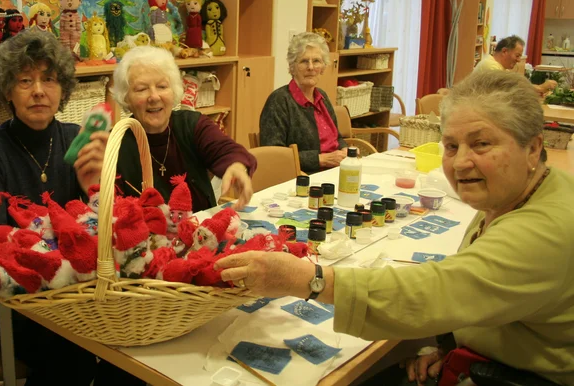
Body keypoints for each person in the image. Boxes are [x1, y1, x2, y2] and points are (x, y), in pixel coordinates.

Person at [217, 70, 574, 385]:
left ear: (533, 149)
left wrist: (306, 279)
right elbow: (483, 297)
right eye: (451, 146)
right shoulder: (512, 193)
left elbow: (439, 292)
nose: (462, 162)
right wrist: (451, 344)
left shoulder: (548, 228)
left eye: (482, 144)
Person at [0, 27, 141, 385]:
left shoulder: (78, 139)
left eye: (49, 79)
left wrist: (95, 190)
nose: (39, 91)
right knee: (71, 357)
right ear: (7, 91)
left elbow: (109, 232)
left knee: (133, 336)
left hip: (75, 293)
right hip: (11, 297)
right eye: (25, 80)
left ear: (63, 88)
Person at [111, 45, 256, 212]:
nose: (154, 96)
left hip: (200, 232)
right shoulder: (116, 144)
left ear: (174, 91)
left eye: (162, 86)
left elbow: (227, 150)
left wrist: (236, 166)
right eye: (142, 89)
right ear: (126, 98)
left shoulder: (192, 125)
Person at [259, 32, 348, 173]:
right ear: (293, 67)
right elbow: (274, 155)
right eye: (304, 61)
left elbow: (336, 136)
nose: (311, 67)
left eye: (317, 61)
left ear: (323, 67)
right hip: (303, 177)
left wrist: (345, 150)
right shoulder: (279, 101)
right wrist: (320, 159)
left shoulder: (322, 97)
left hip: (335, 171)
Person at [476, 35, 557, 96]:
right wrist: (540, 88)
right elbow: (512, 88)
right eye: (517, 56)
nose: (518, 60)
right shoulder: (491, 66)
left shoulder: (499, 66)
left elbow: (516, 83)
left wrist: (539, 89)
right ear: (504, 51)